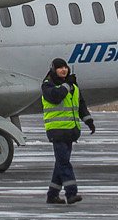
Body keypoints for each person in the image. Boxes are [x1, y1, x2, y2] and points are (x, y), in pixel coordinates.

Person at [40, 57, 94, 204]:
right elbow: (55, 97)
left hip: (70, 130)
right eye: (60, 68)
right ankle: (71, 193)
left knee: (60, 164)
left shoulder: (72, 86)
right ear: (53, 70)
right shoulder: (47, 85)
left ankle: (52, 195)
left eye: (65, 67)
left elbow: (80, 104)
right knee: (64, 163)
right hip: (56, 130)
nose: (64, 70)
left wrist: (88, 120)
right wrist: (66, 85)